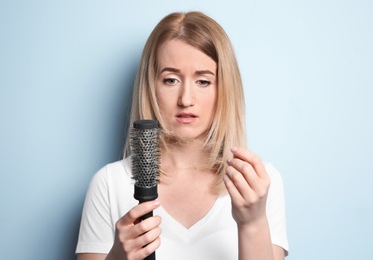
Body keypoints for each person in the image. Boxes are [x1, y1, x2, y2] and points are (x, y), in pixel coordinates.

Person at [76, 11, 289, 260]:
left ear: (225, 88)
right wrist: (117, 258)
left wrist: (252, 223)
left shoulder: (259, 185)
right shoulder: (109, 184)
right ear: (151, 86)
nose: (186, 100)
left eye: (203, 82)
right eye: (171, 80)